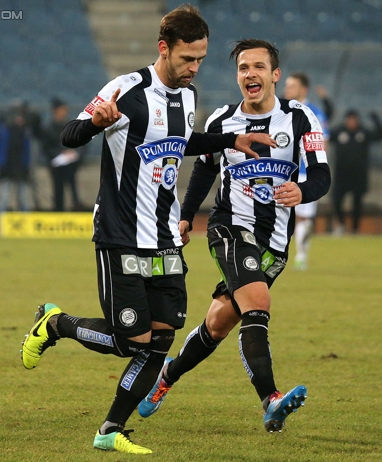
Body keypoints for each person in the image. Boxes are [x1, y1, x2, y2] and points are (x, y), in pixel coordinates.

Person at [18, 5, 275, 455]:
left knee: (159, 340)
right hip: (119, 233)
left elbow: (181, 142)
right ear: (164, 48)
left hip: (164, 236)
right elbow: (69, 133)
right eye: (186, 60)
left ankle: (110, 429)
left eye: (200, 60)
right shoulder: (127, 89)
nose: (193, 69)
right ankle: (54, 324)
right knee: (128, 341)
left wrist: (231, 140)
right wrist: (96, 124)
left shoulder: (188, 96)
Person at [137, 39, 331, 434]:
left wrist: (303, 191)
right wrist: (188, 216)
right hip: (229, 228)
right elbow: (205, 171)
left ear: (275, 75)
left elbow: (323, 175)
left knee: (218, 324)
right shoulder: (221, 121)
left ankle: (165, 378)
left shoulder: (301, 118)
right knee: (258, 303)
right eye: (243, 68)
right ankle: (271, 400)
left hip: (275, 241)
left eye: (259, 67)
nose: (250, 74)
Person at [283, 72, 333, 269]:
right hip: (282, 171)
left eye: (291, 86)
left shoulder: (314, 113)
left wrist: (316, 171)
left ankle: (301, 255)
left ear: (303, 89)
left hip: (303, 172)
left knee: (302, 216)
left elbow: (323, 143)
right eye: (286, 85)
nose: (287, 89)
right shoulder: (280, 110)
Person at [329, 109, 382, 235]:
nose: (352, 122)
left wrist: (376, 120)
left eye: (354, 119)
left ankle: (355, 229)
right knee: (336, 200)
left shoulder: (363, 132)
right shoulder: (339, 132)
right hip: (341, 175)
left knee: (357, 203)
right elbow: (324, 134)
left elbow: (381, 135)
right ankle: (341, 225)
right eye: (350, 119)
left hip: (359, 175)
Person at [0, 103, 32, 214]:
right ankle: (2, 223)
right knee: (4, 197)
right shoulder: (2, 128)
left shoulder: (25, 130)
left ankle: (26, 224)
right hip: (6, 167)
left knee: (23, 198)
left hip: (21, 167)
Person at [40, 97, 84, 211]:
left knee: (73, 187)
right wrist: (60, 153)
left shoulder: (72, 125)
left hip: (71, 164)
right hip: (56, 165)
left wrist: (75, 153)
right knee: (58, 190)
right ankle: (59, 211)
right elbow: (46, 148)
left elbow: (82, 143)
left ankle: (76, 208)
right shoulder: (49, 129)